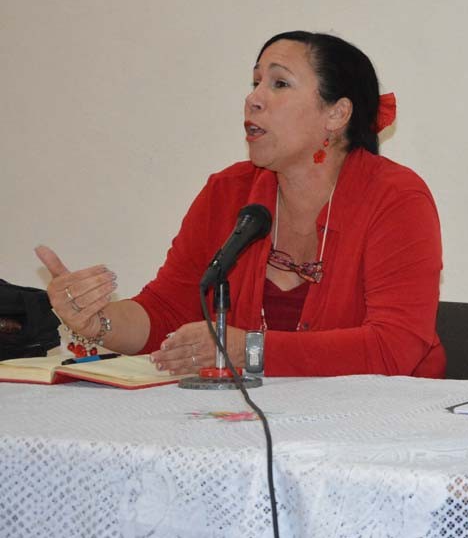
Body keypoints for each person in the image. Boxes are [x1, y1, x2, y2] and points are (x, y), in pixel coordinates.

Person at [35, 31, 445, 378]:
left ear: (336, 114)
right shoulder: (228, 192)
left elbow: (394, 348)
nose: (254, 99)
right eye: (254, 84)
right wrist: (98, 323)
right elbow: (166, 311)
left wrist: (250, 351)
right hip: (252, 426)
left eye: (279, 84)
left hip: (377, 431)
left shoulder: (395, 198)